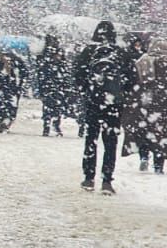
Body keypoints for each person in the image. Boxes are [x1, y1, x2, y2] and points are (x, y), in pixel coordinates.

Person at [72, 21, 129, 192]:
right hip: (113, 104)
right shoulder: (120, 53)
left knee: (91, 139)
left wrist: (87, 91)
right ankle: (107, 180)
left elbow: (77, 75)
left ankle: (89, 178)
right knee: (110, 141)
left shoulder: (89, 51)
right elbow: (133, 78)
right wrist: (120, 93)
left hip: (93, 102)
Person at [123, 37, 167, 175]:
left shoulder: (143, 60)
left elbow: (133, 80)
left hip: (143, 101)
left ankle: (143, 156)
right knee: (161, 133)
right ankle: (159, 164)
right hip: (163, 102)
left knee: (143, 130)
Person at [34, 34, 70, 137]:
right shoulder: (47, 53)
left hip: (50, 82)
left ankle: (49, 125)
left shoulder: (45, 54)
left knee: (50, 105)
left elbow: (40, 68)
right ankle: (52, 125)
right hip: (53, 82)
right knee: (54, 105)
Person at [0, 50, 26, 133]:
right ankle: (3, 122)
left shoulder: (17, 64)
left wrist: (19, 83)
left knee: (11, 108)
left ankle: (6, 122)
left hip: (12, 90)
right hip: (0, 89)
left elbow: (23, 75)